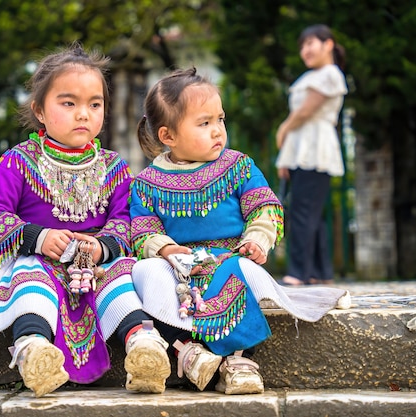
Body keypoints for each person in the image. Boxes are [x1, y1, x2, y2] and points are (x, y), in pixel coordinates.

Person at [0, 43, 171, 397]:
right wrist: (39, 238)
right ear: (40, 111)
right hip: (39, 259)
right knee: (31, 281)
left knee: (121, 277)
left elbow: (126, 219)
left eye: (94, 104)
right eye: (68, 103)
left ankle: (143, 348)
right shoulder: (18, 162)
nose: (83, 114)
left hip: (94, 265)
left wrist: (103, 246)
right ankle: (34, 351)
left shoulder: (114, 167)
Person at [130, 67, 350, 395]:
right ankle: (188, 353)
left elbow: (264, 207)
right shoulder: (147, 182)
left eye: (220, 119)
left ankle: (238, 361)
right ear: (168, 136)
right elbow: (142, 228)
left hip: (229, 257)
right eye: (204, 123)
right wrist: (164, 249)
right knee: (145, 273)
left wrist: (257, 239)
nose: (218, 130)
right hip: (180, 266)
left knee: (234, 273)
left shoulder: (238, 166)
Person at [275, 24, 348, 286]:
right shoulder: (311, 76)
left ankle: (298, 273)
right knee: (309, 212)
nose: (305, 50)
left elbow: (305, 112)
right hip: (300, 149)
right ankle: (319, 272)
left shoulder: (330, 74)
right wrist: (285, 156)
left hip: (315, 148)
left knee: (304, 212)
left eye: (310, 43)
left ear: (328, 44)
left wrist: (283, 128)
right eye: (302, 46)